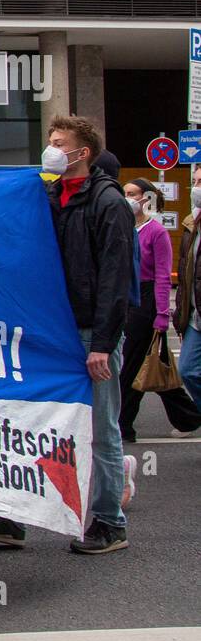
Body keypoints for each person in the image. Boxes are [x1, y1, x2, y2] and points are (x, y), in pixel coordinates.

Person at [0, 116, 133, 554]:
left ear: (82, 153)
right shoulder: (49, 194)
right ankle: (13, 517)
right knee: (30, 421)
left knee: (100, 429)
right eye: (50, 142)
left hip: (90, 331)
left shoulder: (108, 203)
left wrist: (103, 345)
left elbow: (115, 280)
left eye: (58, 143)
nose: (50, 150)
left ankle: (110, 522)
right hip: (49, 330)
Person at [118, 178, 201, 443]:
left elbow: (164, 277)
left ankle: (123, 425)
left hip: (147, 302)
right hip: (127, 299)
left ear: (148, 198)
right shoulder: (125, 227)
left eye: (132, 193)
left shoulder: (156, 232)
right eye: (124, 193)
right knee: (155, 364)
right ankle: (188, 416)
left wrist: (162, 314)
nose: (127, 197)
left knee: (131, 367)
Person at [172, 167, 201, 439]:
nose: (195, 187)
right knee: (188, 369)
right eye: (194, 181)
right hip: (195, 316)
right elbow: (185, 273)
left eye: (200, 182)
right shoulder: (191, 223)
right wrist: (181, 311)